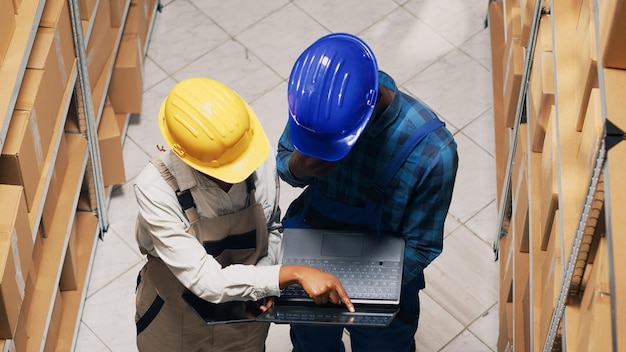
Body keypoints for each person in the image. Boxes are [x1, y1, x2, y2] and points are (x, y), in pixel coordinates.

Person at [133, 77, 354, 352]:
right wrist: (289, 273)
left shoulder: (257, 158)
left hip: (245, 318)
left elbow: (271, 229)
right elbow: (206, 280)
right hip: (176, 317)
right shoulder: (156, 188)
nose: (238, 173)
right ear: (186, 155)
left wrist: (261, 280)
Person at [276, 33, 459, 352]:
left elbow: (422, 245)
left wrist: (354, 287)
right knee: (311, 345)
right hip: (312, 250)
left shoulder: (433, 153)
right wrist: (298, 166)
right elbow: (283, 162)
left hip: (381, 266)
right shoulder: (317, 104)